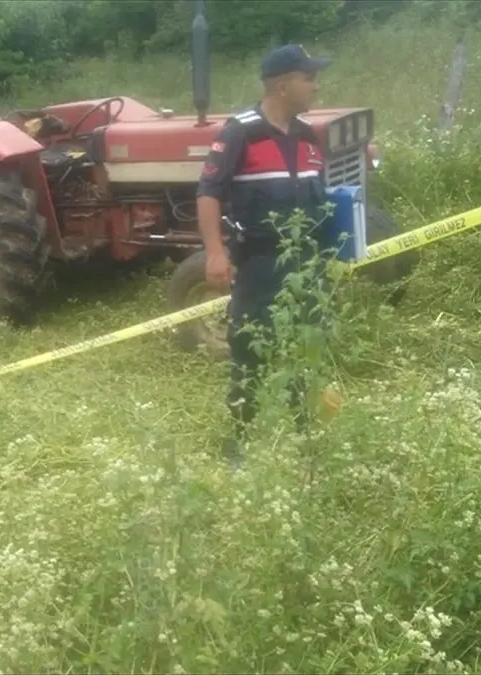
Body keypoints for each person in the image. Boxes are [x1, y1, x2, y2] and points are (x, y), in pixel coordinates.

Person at [195, 44, 335, 465]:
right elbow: (208, 193)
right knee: (250, 352)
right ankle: (238, 441)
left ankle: (303, 435)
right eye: (309, 77)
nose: (316, 85)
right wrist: (215, 253)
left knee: (306, 347)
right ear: (282, 84)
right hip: (258, 265)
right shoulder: (241, 131)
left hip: (306, 264)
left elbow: (323, 199)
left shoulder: (308, 137)